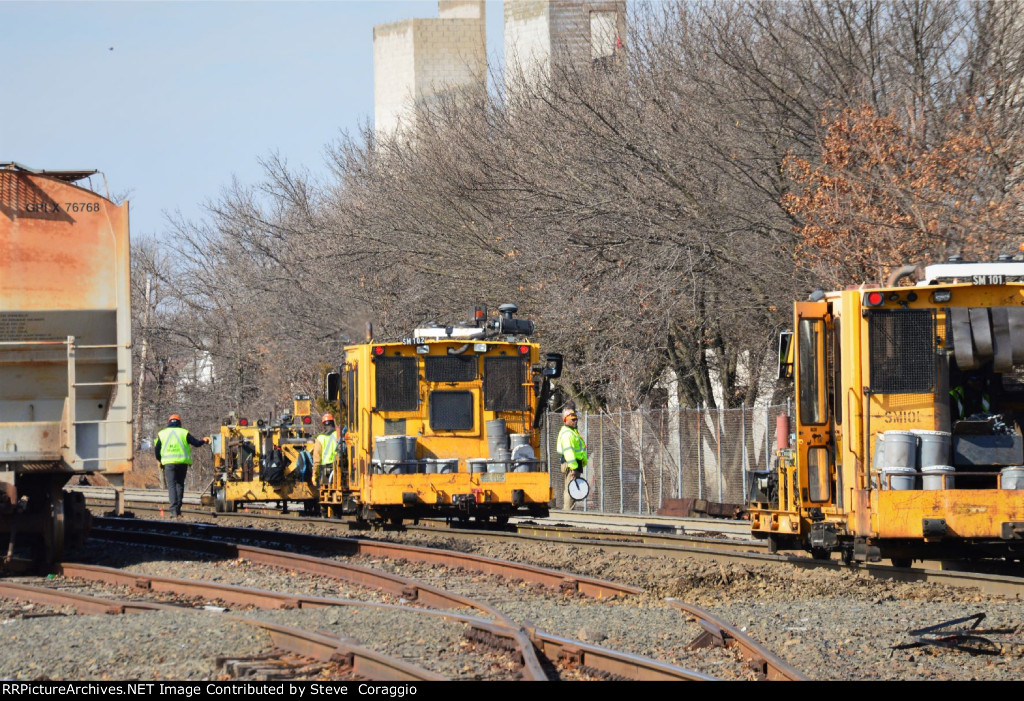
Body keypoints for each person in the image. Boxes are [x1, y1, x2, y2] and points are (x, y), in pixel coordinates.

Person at [154, 414, 210, 518]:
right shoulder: (184, 432)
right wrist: (204, 440)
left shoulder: (162, 433)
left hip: (169, 464)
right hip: (182, 463)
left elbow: (157, 450)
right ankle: (178, 509)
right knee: (180, 485)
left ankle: (173, 511)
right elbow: (196, 443)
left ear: (169, 422)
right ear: (179, 423)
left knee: (171, 486)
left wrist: (159, 460)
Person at [556, 406, 587, 510]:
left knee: (572, 488)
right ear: (565, 420)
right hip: (571, 465)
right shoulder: (567, 434)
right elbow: (569, 453)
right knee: (571, 489)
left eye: (576, 419)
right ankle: (568, 512)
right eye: (572, 419)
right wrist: (573, 468)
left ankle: (569, 511)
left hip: (574, 464)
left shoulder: (572, 432)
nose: (575, 421)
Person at [312, 413, 339, 487]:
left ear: (323, 425)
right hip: (338, 467)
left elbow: (316, 458)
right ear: (333, 422)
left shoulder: (320, 438)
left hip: (325, 469)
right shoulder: (338, 435)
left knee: (325, 490)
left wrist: (314, 474)